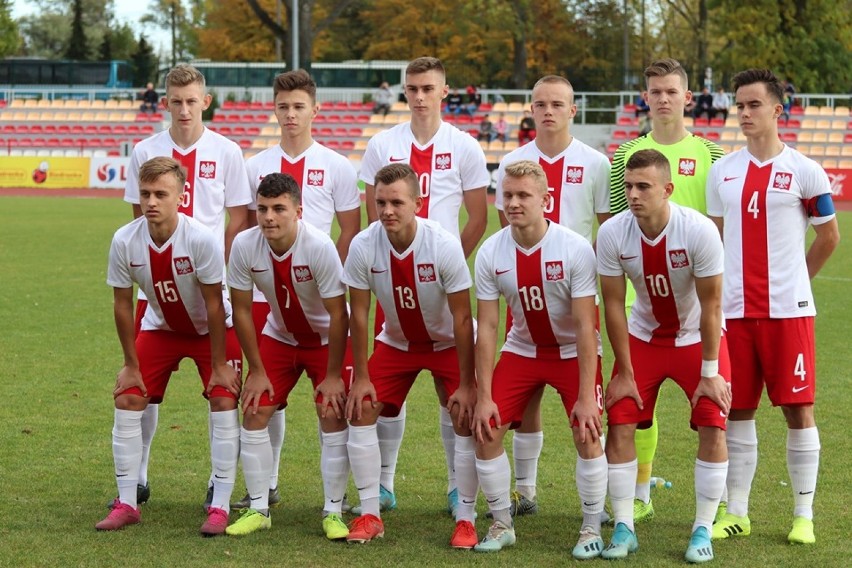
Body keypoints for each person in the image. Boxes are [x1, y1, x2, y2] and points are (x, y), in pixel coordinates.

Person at [706, 68, 840, 546]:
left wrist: (798, 280)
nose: (743, 113)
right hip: (735, 314)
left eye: (753, 105)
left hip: (789, 313)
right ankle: (736, 511)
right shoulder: (722, 171)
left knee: (798, 410)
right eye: (738, 105)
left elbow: (829, 236)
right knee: (736, 410)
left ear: (777, 110)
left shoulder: (806, 170)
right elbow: (714, 242)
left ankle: (803, 514)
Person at [358, 56, 489, 517]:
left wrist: (445, 268)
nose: (419, 96)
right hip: (392, 285)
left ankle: (457, 487)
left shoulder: (465, 146)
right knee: (384, 394)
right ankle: (385, 485)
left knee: (451, 395)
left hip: (442, 283)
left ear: (444, 91)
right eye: (412, 88)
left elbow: (478, 217)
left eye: (428, 88)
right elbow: (369, 213)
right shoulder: (381, 144)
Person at [122, 63, 251, 512]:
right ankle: (136, 476)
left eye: (191, 101)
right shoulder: (144, 150)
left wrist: (223, 264)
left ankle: (220, 487)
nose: (183, 109)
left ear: (206, 101)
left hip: (211, 288)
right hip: (154, 290)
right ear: (165, 103)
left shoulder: (228, 151)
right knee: (144, 387)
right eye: (175, 101)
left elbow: (239, 217)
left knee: (223, 387)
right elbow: (134, 219)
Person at [236, 68, 361, 512]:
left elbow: (350, 230)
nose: (290, 115)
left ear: (315, 109)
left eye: (298, 106)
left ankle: (341, 501)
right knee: (262, 401)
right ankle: (263, 489)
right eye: (283, 106)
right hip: (275, 304)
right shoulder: (253, 165)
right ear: (274, 109)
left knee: (334, 409)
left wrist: (325, 276)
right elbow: (247, 232)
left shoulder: (337, 165)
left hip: (323, 295)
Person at [96, 157, 242, 535]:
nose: (151, 202)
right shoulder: (124, 239)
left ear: (181, 196)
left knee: (224, 397)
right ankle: (127, 501)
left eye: (161, 193)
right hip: (161, 328)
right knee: (128, 395)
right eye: (145, 193)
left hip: (213, 330)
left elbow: (214, 305)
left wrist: (219, 365)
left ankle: (220, 504)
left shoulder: (201, 239)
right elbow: (123, 303)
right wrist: (130, 363)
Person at [598, 149, 730, 562]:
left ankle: (702, 529)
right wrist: (624, 370)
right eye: (628, 186)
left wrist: (710, 372)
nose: (633, 195)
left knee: (713, 421)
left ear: (668, 190)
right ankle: (623, 527)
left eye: (644, 187)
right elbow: (614, 305)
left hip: (696, 338)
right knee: (619, 420)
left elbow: (711, 306)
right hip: (644, 338)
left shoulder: (699, 231)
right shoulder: (614, 233)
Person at [607, 59, 725, 523]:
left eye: (671, 91)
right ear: (646, 97)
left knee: (715, 403)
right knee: (638, 404)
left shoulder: (711, 152)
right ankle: (640, 492)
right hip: (641, 294)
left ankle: (718, 505)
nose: (662, 99)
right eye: (654, 91)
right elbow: (616, 220)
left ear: (687, 98)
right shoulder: (625, 156)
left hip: (696, 293)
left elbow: (717, 223)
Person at [473, 160, 606, 556]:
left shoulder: (574, 248)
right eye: (507, 195)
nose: (513, 203)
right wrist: (483, 395)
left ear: (546, 200)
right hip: (522, 349)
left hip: (570, 353)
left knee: (587, 431)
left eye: (523, 195)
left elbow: (586, 327)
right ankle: (501, 523)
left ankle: (590, 527)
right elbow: (489, 327)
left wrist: (586, 394)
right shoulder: (491, 252)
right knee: (487, 428)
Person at [492, 75, 611, 518]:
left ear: (572, 110)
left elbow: (608, 228)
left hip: (575, 295)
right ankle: (525, 489)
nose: (548, 111)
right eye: (540, 103)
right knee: (526, 398)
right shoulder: (513, 160)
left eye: (557, 103)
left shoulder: (596, 163)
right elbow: (506, 229)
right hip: (523, 297)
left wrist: (582, 275)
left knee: (581, 402)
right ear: (531, 107)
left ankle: (596, 510)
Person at [343, 163, 478, 546]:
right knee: (362, 406)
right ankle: (370, 512)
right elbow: (361, 313)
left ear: (417, 203)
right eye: (380, 202)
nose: (387, 210)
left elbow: (463, 317)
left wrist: (468, 383)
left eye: (397, 202)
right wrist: (362, 376)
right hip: (397, 343)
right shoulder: (364, 245)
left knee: (463, 413)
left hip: (447, 343)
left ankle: (465, 515)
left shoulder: (443, 244)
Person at [225, 173, 352, 539]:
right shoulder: (245, 245)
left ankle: (333, 510)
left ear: (298, 210)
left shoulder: (319, 246)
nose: (269, 217)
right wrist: (257, 370)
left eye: (279, 209)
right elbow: (243, 310)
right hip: (280, 337)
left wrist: (331, 377)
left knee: (331, 410)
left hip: (324, 340)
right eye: (262, 208)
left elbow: (339, 314)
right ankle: (258, 508)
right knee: (254, 408)